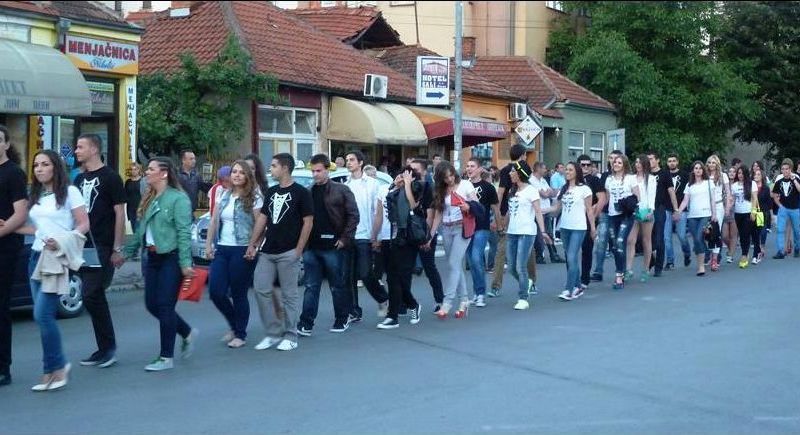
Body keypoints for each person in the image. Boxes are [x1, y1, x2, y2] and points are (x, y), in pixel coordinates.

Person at [115, 157, 198, 372]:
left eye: (151, 169)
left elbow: (183, 232)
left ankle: (165, 357)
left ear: (163, 173)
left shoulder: (178, 199)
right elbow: (140, 232)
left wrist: (185, 263)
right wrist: (125, 253)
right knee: (152, 304)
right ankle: (187, 331)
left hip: (171, 256)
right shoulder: (150, 197)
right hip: (152, 257)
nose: (146, 172)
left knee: (165, 306)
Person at [19, 150, 89, 391]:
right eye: (36, 165)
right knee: (43, 317)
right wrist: (10, 227)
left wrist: (62, 240)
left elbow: (83, 223)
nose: (39, 169)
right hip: (35, 258)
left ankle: (57, 368)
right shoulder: (36, 194)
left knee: (42, 315)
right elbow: (35, 228)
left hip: (56, 258)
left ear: (55, 167)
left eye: (45, 164)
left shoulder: (70, 192)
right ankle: (52, 369)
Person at [247, 154, 313, 351]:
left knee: (289, 295)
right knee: (261, 289)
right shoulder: (272, 191)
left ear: (285, 168)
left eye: (274, 165)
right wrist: (253, 243)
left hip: (289, 251)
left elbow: (308, 222)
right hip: (268, 251)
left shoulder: (302, 193)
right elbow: (262, 219)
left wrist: (299, 250)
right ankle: (273, 332)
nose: (271, 169)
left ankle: (291, 335)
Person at [73, 133, 126, 369]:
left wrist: (117, 247)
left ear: (94, 149)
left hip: (103, 245)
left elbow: (120, 213)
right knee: (95, 297)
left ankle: (108, 348)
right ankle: (104, 348)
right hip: (82, 245)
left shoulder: (111, 178)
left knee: (91, 293)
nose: (76, 151)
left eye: (80, 147)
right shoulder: (78, 179)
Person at [297, 154, 358, 335]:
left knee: (337, 285)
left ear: (327, 170)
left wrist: (344, 239)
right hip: (312, 247)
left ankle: (342, 318)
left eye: (319, 171)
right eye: (313, 171)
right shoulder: (308, 192)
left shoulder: (341, 190)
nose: (315, 174)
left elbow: (353, 216)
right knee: (311, 287)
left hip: (334, 246)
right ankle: (306, 323)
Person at [204, 161, 262, 348]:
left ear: (247, 176)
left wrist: (253, 246)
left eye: (241, 172)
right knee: (216, 291)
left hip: (242, 248)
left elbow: (261, 225)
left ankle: (240, 333)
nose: (236, 175)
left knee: (238, 293)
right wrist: (208, 244)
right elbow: (214, 221)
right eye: (234, 172)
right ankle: (234, 324)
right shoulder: (224, 194)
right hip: (223, 248)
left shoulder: (254, 196)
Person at [343, 151, 389, 322]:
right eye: (347, 160)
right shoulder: (345, 184)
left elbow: (377, 211)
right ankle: (354, 311)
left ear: (360, 162)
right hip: (349, 235)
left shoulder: (372, 184)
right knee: (349, 276)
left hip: (366, 234)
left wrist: (375, 236)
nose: (349, 163)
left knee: (365, 273)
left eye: (352, 160)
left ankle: (383, 298)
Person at [375, 168, 424, 329]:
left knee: (399, 277)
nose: (401, 178)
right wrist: (393, 186)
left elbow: (412, 206)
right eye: (400, 176)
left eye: (404, 176)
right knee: (392, 277)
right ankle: (405, 308)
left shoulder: (417, 187)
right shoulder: (393, 190)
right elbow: (387, 205)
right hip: (393, 238)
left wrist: (408, 185)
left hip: (409, 239)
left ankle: (396, 313)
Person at [429, 161, 477, 318]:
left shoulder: (465, 185)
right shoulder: (441, 190)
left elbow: (476, 204)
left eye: (450, 175)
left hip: (462, 226)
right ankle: (464, 300)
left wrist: (467, 206)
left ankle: (447, 302)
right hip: (447, 228)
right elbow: (438, 214)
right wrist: (431, 236)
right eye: (445, 177)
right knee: (456, 266)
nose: (449, 179)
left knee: (452, 264)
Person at [0, 125, 28, 388]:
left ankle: (3, 367)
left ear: (7, 144)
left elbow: (20, 213)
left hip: (6, 247)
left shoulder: (13, 174)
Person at [490, 144, 536, 297]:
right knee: (528, 253)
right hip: (514, 215)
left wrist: (498, 215)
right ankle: (532, 282)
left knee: (501, 251)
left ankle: (496, 286)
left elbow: (500, 193)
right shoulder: (523, 170)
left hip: (507, 213)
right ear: (523, 155)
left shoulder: (504, 170)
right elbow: (503, 192)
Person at [504, 161, 551, 310]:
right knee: (511, 267)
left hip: (526, 232)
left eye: (513, 171)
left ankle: (523, 297)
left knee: (520, 266)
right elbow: (510, 212)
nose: (510, 174)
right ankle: (527, 283)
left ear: (520, 173)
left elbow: (538, 211)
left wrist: (543, 231)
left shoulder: (531, 190)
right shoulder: (512, 191)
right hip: (512, 232)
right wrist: (502, 226)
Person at [552, 162, 595, 301]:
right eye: (566, 170)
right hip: (565, 227)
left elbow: (589, 210)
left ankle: (569, 289)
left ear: (577, 172)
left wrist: (593, 228)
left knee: (571, 257)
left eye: (570, 170)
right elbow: (556, 209)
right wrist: (539, 210)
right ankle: (577, 286)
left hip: (579, 227)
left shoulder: (585, 189)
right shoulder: (563, 189)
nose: (567, 172)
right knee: (571, 259)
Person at [411, 158, 444, 311]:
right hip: (410, 233)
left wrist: (428, 238)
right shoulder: (409, 186)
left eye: (416, 169)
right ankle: (406, 303)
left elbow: (431, 216)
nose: (412, 172)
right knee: (404, 269)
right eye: (410, 168)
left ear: (424, 171)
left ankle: (440, 300)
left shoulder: (429, 188)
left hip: (425, 233)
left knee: (429, 267)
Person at [465, 158, 499, 307]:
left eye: (472, 166)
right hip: (466, 227)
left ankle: (481, 294)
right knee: (471, 262)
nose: (469, 168)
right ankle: (477, 292)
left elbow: (495, 207)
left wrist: (497, 223)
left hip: (482, 227)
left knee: (476, 257)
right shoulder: (462, 185)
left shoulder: (488, 187)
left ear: (479, 169)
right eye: (467, 166)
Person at [605, 154, 641, 289]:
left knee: (620, 241)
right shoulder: (609, 180)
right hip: (612, 214)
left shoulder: (631, 179)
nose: (616, 164)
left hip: (626, 215)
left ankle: (619, 275)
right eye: (615, 162)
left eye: (619, 163)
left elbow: (638, 196)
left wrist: (627, 204)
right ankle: (622, 269)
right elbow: (608, 198)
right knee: (615, 245)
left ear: (624, 165)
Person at [674, 161, 716, 276]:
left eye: (700, 168)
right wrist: (678, 211)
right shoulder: (689, 185)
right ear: (693, 170)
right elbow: (685, 200)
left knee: (698, 238)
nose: (698, 170)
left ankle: (701, 266)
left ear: (703, 170)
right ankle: (703, 256)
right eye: (696, 168)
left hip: (705, 214)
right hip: (692, 216)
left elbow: (713, 200)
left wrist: (714, 214)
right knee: (698, 240)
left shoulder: (708, 183)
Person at [591, 150, 623, 282]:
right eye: (610, 158)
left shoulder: (626, 176)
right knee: (601, 240)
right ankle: (598, 271)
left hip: (620, 213)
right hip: (605, 212)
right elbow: (601, 195)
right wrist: (596, 208)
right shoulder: (604, 176)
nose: (612, 160)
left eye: (615, 158)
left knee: (617, 243)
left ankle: (620, 271)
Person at [575, 155, 605, 294]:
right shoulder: (573, 180)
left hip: (588, 219)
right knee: (572, 250)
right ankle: (573, 278)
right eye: (583, 165)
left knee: (587, 249)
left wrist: (594, 214)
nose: (585, 167)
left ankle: (584, 278)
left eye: (588, 165)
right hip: (573, 218)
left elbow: (602, 199)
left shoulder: (594, 180)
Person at [625, 155, 657, 283]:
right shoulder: (630, 178)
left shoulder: (651, 179)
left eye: (640, 162)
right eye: (636, 162)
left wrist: (650, 210)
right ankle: (629, 269)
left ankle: (646, 269)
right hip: (634, 210)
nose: (637, 164)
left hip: (645, 211)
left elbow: (652, 195)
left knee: (646, 240)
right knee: (630, 240)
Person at [646, 151, 677, 276]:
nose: (649, 161)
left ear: (658, 160)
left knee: (659, 238)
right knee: (647, 239)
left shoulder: (664, 174)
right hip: (647, 209)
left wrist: (676, 209)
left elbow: (671, 191)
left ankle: (658, 267)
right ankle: (651, 260)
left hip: (660, 208)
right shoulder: (645, 174)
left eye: (652, 159)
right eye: (648, 159)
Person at [531, 162, 563, 264]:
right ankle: (539, 255)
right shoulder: (532, 180)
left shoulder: (543, 180)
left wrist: (547, 193)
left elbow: (552, 192)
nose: (546, 170)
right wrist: (547, 193)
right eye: (544, 168)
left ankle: (554, 254)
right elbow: (545, 194)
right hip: (538, 211)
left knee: (549, 233)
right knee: (539, 235)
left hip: (546, 209)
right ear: (538, 169)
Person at [663, 154, 691, 269]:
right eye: (669, 161)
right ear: (667, 162)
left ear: (677, 162)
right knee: (666, 237)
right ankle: (670, 261)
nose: (672, 163)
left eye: (674, 161)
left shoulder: (685, 175)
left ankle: (687, 252)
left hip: (681, 209)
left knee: (681, 235)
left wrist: (680, 209)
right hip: (666, 209)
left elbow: (688, 193)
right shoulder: (664, 175)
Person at [731, 166, 760, 268]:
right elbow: (733, 200)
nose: (740, 175)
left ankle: (745, 255)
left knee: (746, 234)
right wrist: (727, 207)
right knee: (742, 235)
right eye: (739, 173)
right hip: (738, 213)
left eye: (742, 173)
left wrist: (753, 211)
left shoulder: (752, 184)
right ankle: (746, 253)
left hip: (748, 213)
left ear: (746, 174)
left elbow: (755, 199)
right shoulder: (734, 186)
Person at [771, 159, 800, 259]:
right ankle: (781, 251)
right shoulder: (779, 182)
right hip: (783, 209)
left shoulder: (796, 178)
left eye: (787, 169)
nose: (785, 171)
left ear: (790, 169)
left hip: (795, 209)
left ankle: (797, 248)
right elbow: (774, 195)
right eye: (783, 169)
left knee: (797, 231)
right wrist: (779, 205)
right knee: (780, 230)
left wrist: (794, 180)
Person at [706, 155, 730, 270]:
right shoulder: (704, 176)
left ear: (717, 164)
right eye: (709, 162)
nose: (711, 165)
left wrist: (727, 207)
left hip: (718, 205)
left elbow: (728, 192)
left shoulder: (722, 176)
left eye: (713, 163)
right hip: (705, 207)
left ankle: (714, 259)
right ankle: (708, 253)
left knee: (715, 233)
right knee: (705, 232)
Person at [177, 149, 211, 214]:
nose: (194, 161)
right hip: (178, 211)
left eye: (194, 159)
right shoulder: (176, 175)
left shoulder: (196, 175)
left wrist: (218, 187)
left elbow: (206, 188)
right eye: (191, 159)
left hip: (191, 211)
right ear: (183, 160)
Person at [753, 168, 772, 262]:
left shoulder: (766, 188)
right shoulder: (751, 187)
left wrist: (770, 214)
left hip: (763, 212)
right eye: (755, 174)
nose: (756, 176)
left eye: (758, 174)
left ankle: (762, 247)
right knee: (755, 232)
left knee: (763, 231)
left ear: (762, 176)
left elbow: (769, 201)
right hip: (753, 212)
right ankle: (757, 249)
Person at [721, 166, 739, 264]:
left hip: (735, 211)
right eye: (730, 172)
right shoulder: (724, 185)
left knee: (733, 235)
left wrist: (730, 206)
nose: (731, 173)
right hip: (724, 211)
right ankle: (730, 247)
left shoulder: (737, 185)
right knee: (724, 236)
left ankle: (730, 255)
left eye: (734, 172)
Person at [124, 162, 145, 233]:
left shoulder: (143, 181)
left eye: (135, 169)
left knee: (139, 227)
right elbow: (125, 194)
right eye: (132, 169)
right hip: (131, 207)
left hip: (140, 206)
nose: (133, 171)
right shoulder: (128, 182)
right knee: (133, 227)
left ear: (139, 170)